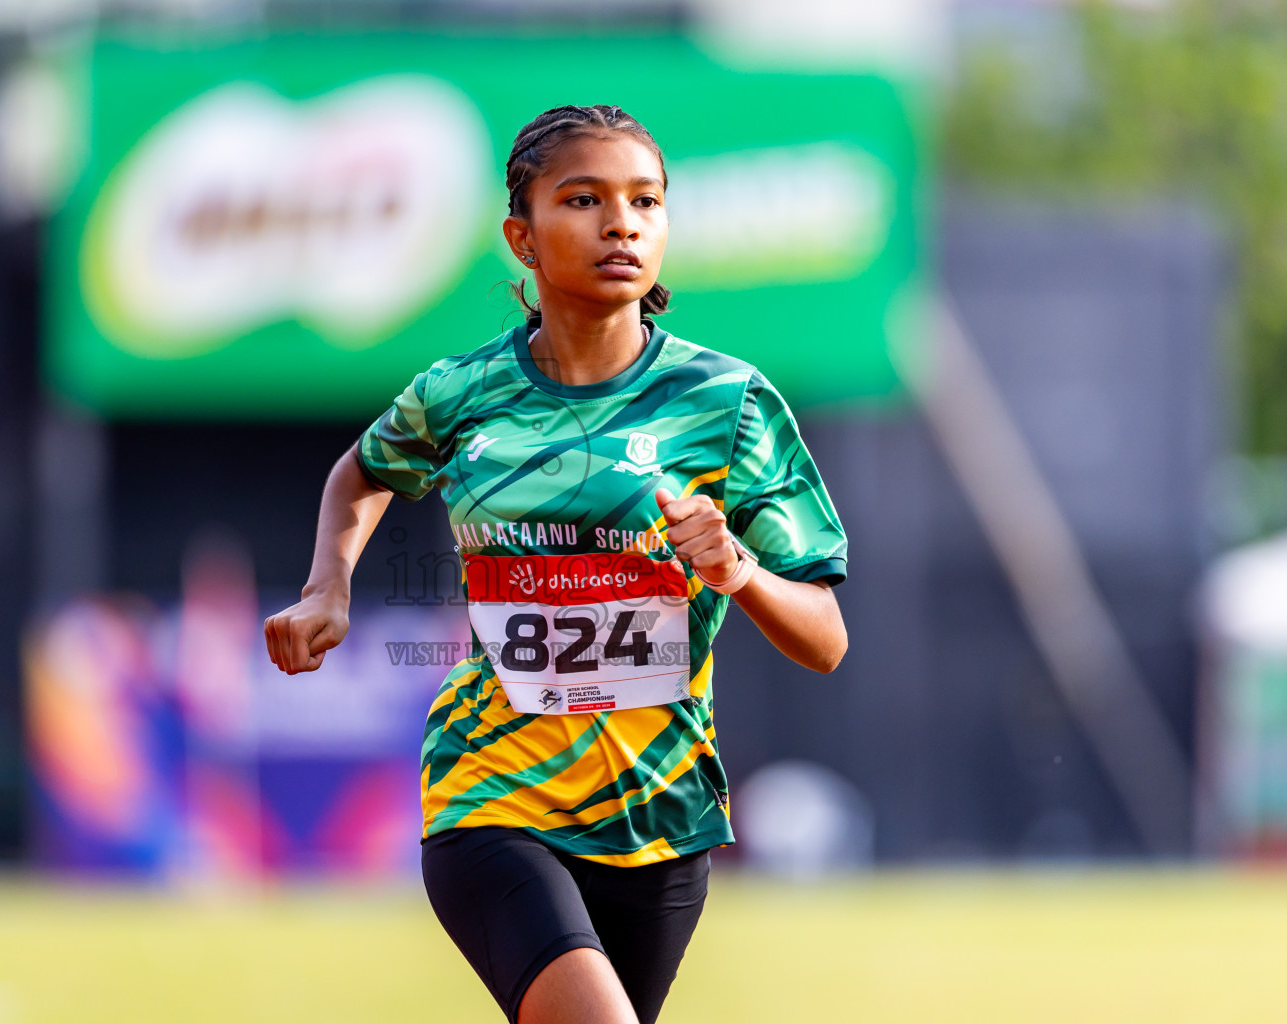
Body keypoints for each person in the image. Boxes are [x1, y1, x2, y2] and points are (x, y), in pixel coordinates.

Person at [264, 104, 849, 1024]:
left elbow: (825, 641)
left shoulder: (727, 403)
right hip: (492, 790)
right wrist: (324, 588)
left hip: (657, 815)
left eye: (646, 202)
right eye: (583, 200)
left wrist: (739, 571)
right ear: (521, 236)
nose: (621, 223)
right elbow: (362, 472)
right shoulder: (462, 395)